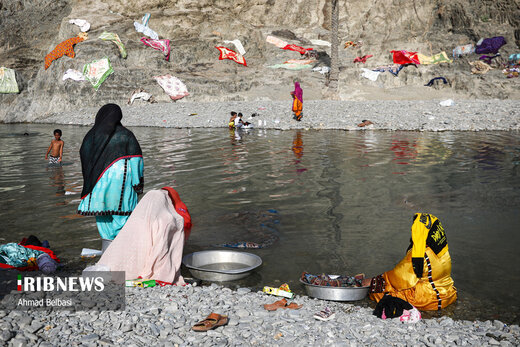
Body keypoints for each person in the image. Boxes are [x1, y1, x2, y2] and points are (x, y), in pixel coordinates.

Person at [77, 104, 144, 248]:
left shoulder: (91, 135)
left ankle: (107, 251)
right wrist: (138, 184)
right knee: (123, 217)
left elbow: (84, 156)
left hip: (97, 184)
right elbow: (136, 160)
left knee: (103, 218)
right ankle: (122, 251)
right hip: (122, 183)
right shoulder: (126, 135)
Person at [96, 187, 191, 285]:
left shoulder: (136, 218)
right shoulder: (168, 219)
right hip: (147, 267)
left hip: (115, 266)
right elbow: (162, 248)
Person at [365, 213, 457, 311]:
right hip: (448, 294)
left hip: (429, 299)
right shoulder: (441, 249)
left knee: (379, 293)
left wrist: (374, 281)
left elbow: (399, 279)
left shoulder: (420, 254)